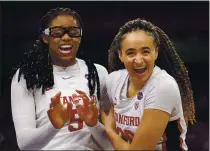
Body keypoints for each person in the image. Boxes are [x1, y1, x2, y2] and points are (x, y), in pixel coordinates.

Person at [11, 7, 112, 150]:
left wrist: (93, 124)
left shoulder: (98, 72)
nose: (66, 37)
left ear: (80, 36)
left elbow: (112, 144)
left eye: (74, 32)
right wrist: (54, 126)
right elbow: (25, 145)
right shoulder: (27, 76)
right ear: (45, 37)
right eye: (57, 33)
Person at [100, 18, 196, 150]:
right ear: (120, 55)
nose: (138, 60)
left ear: (155, 52)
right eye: (130, 53)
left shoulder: (163, 86)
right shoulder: (113, 80)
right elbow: (104, 112)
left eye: (145, 51)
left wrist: (110, 130)